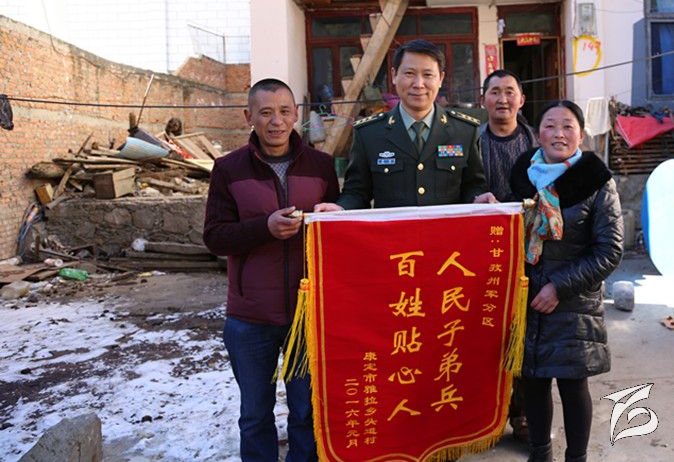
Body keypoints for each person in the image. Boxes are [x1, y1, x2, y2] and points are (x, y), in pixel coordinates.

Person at [204, 78, 339, 462]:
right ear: (248, 116)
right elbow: (214, 237)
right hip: (250, 316)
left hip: (307, 313)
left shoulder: (321, 166)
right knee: (255, 414)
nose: (275, 121)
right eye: (265, 113)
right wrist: (264, 227)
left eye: (283, 111)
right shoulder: (228, 169)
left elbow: (336, 228)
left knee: (306, 411)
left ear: (296, 114)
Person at [508, 100, 624, 462]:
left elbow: (609, 250)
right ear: (537, 133)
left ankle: (577, 458)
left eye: (567, 126)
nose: (558, 133)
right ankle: (539, 455)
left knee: (573, 385)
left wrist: (559, 287)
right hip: (527, 301)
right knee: (533, 383)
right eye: (550, 125)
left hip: (573, 304)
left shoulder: (596, 181)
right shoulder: (522, 177)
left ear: (581, 135)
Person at [315, 39, 494, 211]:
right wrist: (341, 208)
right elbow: (356, 192)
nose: (418, 84)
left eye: (428, 75)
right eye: (409, 74)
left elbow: (473, 186)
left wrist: (478, 198)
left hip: (446, 232)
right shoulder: (369, 133)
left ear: (440, 79)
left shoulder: (464, 131)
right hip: (392, 232)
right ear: (394, 75)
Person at [478, 69, 537, 442]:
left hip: (531, 255)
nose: (502, 99)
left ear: (521, 100)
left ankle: (524, 413)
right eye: (495, 92)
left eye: (509, 92)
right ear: (483, 99)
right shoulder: (470, 142)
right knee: (485, 336)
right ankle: (485, 415)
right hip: (481, 255)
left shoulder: (538, 144)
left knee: (526, 336)